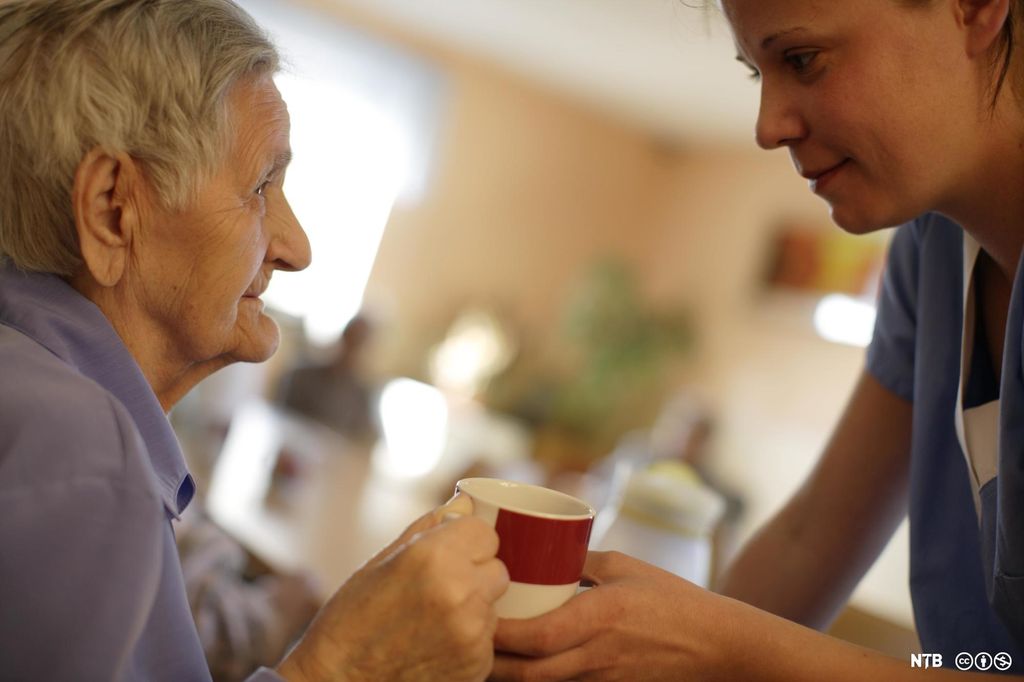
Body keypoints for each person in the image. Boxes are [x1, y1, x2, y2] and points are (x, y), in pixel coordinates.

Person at [491, 0, 1024, 679]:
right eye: (758, 76)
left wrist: (723, 646)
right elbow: (809, 539)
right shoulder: (933, 255)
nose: (768, 127)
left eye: (802, 60)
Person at [0, 2, 507, 681]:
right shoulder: (82, 456)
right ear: (111, 210)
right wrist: (342, 668)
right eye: (261, 185)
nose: (298, 249)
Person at [276, 314, 380, 443]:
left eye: (359, 343)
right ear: (343, 337)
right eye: (352, 338)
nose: (353, 348)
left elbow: (361, 440)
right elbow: (281, 418)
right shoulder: (302, 376)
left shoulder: (362, 398)